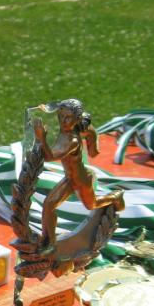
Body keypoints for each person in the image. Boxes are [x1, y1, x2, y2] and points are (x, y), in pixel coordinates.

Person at [33, 99, 124, 248]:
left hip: (81, 180)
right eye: (61, 116)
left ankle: (115, 197)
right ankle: (49, 240)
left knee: (91, 204)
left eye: (68, 117)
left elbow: (49, 157)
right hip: (70, 178)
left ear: (76, 119)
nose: (63, 121)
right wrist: (93, 148)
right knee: (49, 205)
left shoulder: (72, 140)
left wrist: (41, 138)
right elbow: (89, 131)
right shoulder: (69, 130)